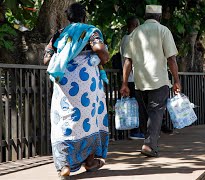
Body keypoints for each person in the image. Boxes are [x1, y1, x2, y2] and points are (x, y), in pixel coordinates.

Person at [43, 3, 109, 179]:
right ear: (84, 16)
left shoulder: (59, 34)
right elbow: (98, 48)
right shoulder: (91, 31)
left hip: (64, 82)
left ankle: (64, 166)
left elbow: (46, 58)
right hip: (86, 82)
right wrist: (105, 58)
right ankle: (89, 161)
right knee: (89, 118)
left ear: (68, 17)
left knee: (65, 120)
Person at [120, 5, 181, 157]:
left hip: (140, 81)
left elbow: (128, 61)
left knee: (146, 113)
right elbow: (171, 59)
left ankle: (148, 140)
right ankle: (149, 145)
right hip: (158, 80)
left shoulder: (135, 33)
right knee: (155, 113)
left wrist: (125, 83)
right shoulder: (163, 31)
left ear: (145, 17)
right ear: (159, 17)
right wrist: (177, 80)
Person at [119, 16, 145, 140]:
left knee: (134, 105)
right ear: (135, 25)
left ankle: (136, 130)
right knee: (136, 105)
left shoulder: (124, 39)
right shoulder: (131, 39)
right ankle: (135, 131)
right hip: (132, 78)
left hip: (128, 78)